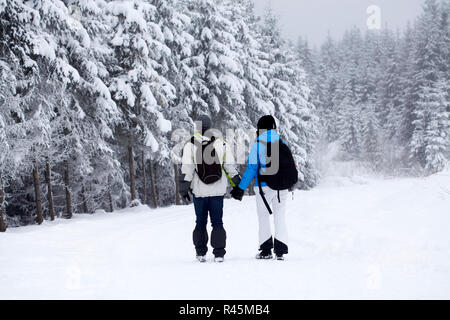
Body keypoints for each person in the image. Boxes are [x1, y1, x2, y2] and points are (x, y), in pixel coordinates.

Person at [230, 115, 297, 261]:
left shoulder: (258, 144)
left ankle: (266, 251)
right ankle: (280, 251)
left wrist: (240, 188)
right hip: (282, 188)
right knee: (280, 217)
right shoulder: (281, 142)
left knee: (263, 217)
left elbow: (252, 169)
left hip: (264, 188)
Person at [179, 115, 240, 263]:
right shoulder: (221, 143)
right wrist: (237, 185)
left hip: (199, 192)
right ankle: (219, 254)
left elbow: (187, 169)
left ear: (197, 127)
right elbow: (229, 167)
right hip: (217, 191)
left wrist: (183, 189)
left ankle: (200, 253)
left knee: (200, 222)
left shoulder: (191, 144)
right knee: (217, 222)